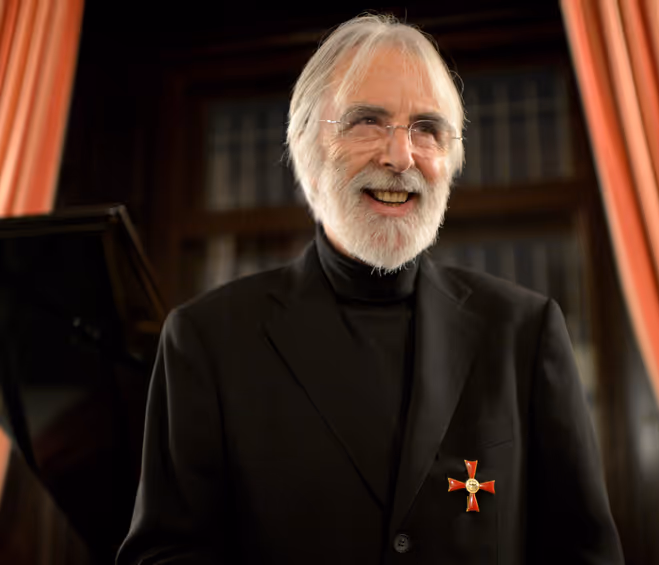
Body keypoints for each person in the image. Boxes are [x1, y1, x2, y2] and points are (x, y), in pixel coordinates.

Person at [117, 14, 624, 565]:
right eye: (367, 122)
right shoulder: (206, 341)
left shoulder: (524, 332)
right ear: (308, 148)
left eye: (427, 129)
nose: (400, 157)